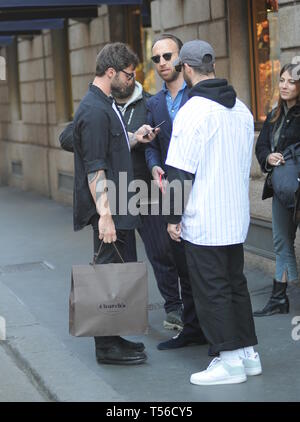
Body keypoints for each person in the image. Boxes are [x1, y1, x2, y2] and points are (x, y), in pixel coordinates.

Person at [59, 60, 184, 333]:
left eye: (132, 76)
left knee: (161, 251)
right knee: (122, 259)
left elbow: (163, 146)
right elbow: (67, 137)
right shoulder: (101, 107)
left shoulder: (149, 104)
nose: (129, 80)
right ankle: (129, 314)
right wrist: (124, 138)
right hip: (117, 196)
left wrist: (146, 144)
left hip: (147, 192)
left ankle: (174, 307)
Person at [165, 40, 261, 385]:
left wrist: (173, 218)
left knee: (212, 289)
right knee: (235, 284)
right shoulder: (242, 109)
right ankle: (249, 355)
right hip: (235, 217)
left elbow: (179, 172)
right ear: (212, 65)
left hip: (204, 218)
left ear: (186, 69)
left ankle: (229, 360)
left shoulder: (193, 111)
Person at [71, 42, 157, 365]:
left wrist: (135, 138)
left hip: (122, 207)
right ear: (111, 72)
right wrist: (105, 215)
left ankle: (114, 337)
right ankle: (106, 348)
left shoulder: (105, 104)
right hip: (110, 211)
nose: (132, 80)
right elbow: (95, 167)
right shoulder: (94, 110)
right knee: (106, 275)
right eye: (129, 74)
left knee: (115, 275)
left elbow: (112, 146)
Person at [145, 34, 207, 351]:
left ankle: (214, 328)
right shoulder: (153, 104)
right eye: (156, 59)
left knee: (206, 264)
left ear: (182, 58)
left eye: (167, 56)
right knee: (181, 261)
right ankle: (192, 327)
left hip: (202, 189)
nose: (162, 63)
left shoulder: (199, 95)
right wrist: (155, 167)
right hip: (171, 192)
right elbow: (153, 148)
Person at [254, 63, 300, 317]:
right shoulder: (274, 115)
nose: (284, 85)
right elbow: (261, 146)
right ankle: (282, 298)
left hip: (298, 189)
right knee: (282, 242)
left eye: (290, 81)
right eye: (281, 80)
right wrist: (268, 157)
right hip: (281, 190)